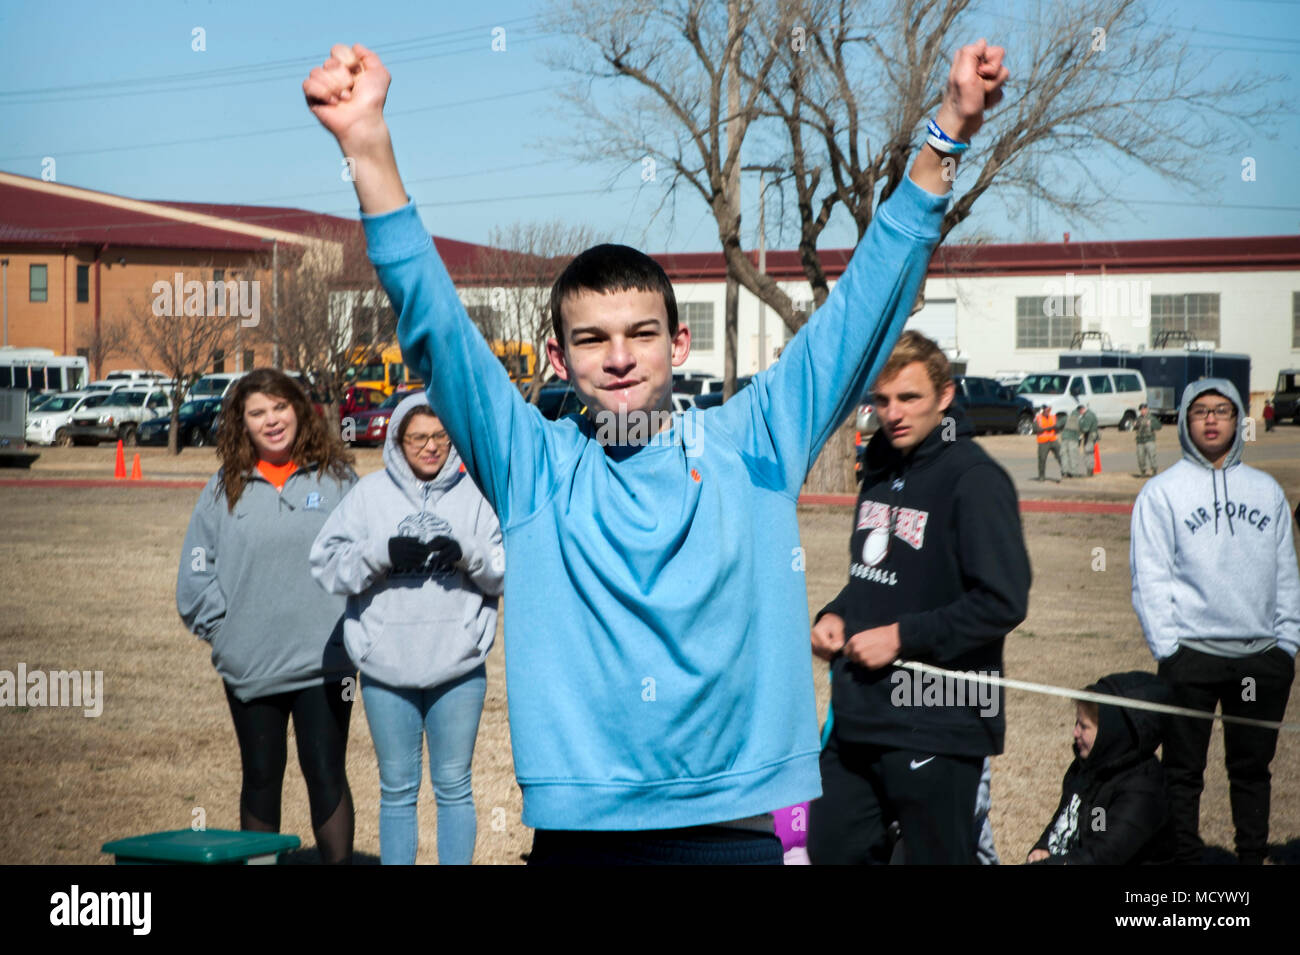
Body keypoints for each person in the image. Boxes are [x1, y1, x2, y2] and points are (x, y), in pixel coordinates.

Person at [303, 38, 1009, 864]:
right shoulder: (534, 467)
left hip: (738, 829)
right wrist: (367, 146)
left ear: (678, 342)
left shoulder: (756, 441)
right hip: (584, 834)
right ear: (559, 361)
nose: (621, 356)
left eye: (642, 333)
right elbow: (435, 326)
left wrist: (948, 135)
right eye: (593, 339)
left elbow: (861, 311)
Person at [806, 332, 1031, 864]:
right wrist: (837, 612)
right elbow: (878, 575)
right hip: (858, 715)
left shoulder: (975, 478)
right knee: (831, 849)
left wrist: (903, 638)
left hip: (940, 723)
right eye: (882, 401)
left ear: (944, 397)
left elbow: (1003, 601)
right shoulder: (880, 465)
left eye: (909, 398)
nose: (893, 413)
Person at [310, 395, 504, 865]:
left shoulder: (477, 494)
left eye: (440, 436)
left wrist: (465, 553)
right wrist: (382, 553)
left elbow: (503, 571)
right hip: (385, 667)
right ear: (398, 441)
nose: (431, 446)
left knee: (454, 786)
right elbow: (325, 565)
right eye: (418, 437)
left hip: (458, 667)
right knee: (396, 790)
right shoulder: (368, 495)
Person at [176, 369, 359, 864]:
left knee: (325, 771)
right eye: (257, 412)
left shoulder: (339, 480)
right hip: (251, 664)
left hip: (327, 664)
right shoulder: (221, 491)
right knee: (260, 774)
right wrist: (228, 632)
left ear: (300, 409)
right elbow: (195, 573)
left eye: (280, 407)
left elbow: (367, 560)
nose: (272, 420)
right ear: (242, 423)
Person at [1130, 379, 1299, 865]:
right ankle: (1183, 862)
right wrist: (1169, 649)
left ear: (1237, 419)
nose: (1210, 419)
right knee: (1182, 772)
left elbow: (1286, 573)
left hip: (1260, 658)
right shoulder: (1163, 493)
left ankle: (1251, 858)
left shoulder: (1265, 491)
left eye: (1221, 411)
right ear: (1184, 419)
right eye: (1199, 411)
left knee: (1252, 770)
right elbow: (1151, 576)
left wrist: (1285, 645)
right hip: (1192, 656)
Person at [1027, 672, 1175, 865]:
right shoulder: (1091, 768)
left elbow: (1106, 854)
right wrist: (1043, 847)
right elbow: (1071, 820)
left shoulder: (1143, 791)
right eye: (1076, 723)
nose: (1075, 732)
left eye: (1084, 726)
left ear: (1110, 733)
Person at [1033, 403, 1062, 482]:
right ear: (1042, 410)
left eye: (1049, 410)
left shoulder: (1053, 417)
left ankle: (1065, 474)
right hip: (1043, 442)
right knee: (1042, 459)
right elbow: (1036, 429)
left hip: (1053, 440)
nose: (1047, 412)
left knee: (1061, 457)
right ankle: (1041, 476)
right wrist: (1049, 428)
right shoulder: (1038, 418)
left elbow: (1057, 427)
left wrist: (1056, 428)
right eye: (1046, 410)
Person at [1134, 401, 1161, 476]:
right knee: (1140, 457)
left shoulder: (1151, 418)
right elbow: (1135, 428)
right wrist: (1135, 425)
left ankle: (1154, 471)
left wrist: (1151, 424)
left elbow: (1159, 427)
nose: (1143, 411)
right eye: (1141, 409)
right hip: (1140, 441)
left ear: (1147, 409)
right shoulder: (1138, 419)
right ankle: (1143, 472)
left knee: (1152, 456)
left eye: (1144, 409)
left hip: (1149, 440)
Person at [1059, 404, 1083, 478]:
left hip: (1064, 439)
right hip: (1074, 439)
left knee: (1064, 455)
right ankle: (1074, 472)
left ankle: (1064, 472)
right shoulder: (1080, 419)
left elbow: (1058, 424)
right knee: (1073, 455)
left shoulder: (1066, 417)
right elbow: (1082, 430)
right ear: (1080, 411)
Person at [1079, 402, 1100, 476]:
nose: (1080, 412)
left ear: (1083, 409)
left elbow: (1086, 428)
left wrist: (1079, 432)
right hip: (1091, 435)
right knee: (1089, 453)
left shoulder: (1088, 416)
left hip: (1090, 436)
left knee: (1088, 453)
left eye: (1080, 410)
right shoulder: (1090, 414)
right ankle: (1090, 470)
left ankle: (1090, 471)